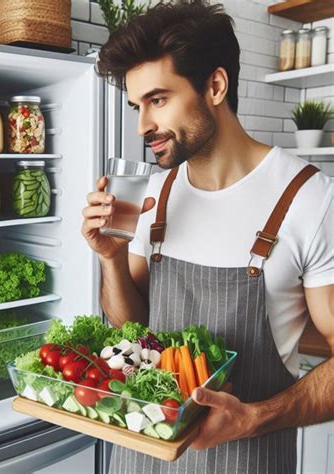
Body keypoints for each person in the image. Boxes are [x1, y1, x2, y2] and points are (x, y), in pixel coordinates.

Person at [81, 1, 333, 473]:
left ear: (215, 86)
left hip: (247, 458)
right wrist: (111, 259)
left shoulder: (310, 199)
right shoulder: (156, 192)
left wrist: (255, 417)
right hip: (141, 457)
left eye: (158, 100)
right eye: (138, 106)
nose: (143, 126)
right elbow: (131, 331)